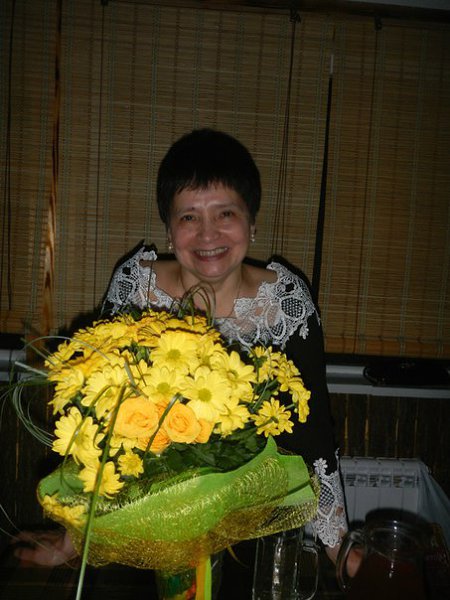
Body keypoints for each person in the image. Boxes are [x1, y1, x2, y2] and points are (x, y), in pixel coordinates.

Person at [13, 128, 356, 576]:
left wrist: (340, 550)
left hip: (250, 531)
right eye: (189, 217)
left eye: (225, 213)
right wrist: (72, 541)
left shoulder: (285, 303)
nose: (207, 233)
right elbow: (103, 420)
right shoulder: (138, 286)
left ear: (252, 223)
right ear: (170, 231)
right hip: (147, 522)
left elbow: (314, 435)